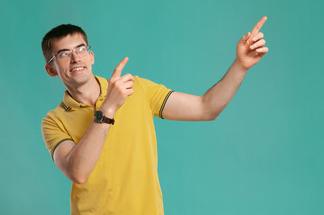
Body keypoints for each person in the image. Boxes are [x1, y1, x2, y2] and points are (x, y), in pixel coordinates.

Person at [41, 16, 269, 215]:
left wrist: (240, 65)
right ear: (51, 69)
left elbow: (206, 108)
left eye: (81, 49)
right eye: (63, 53)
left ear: (91, 56)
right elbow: (78, 172)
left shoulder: (136, 88)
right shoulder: (53, 121)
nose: (75, 58)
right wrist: (108, 108)